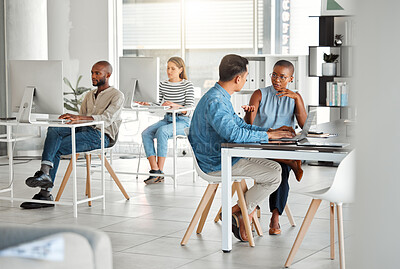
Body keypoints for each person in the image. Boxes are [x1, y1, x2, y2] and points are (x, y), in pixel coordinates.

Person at [189, 54, 295, 242]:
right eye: (246, 77)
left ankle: (237, 212)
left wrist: (269, 131)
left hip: (224, 155)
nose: (246, 80)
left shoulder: (219, 96)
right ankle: (239, 212)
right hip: (216, 163)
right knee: (273, 176)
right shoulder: (216, 102)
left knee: (277, 169)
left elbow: (240, 126)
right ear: (238, 79)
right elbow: (235, 135)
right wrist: (269, 136)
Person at [20, 61, 124, 209]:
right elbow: (82, 116)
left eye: (97, 73)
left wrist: (80, 119)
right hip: (84, 129)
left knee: (56, 148)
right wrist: (73, 117)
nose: (93, 76)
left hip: (101, 135)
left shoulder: (117, 95)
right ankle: (44, 174)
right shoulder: (89, 95)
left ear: (108, 75)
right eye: (92, 73)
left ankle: (45, 194)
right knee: (54, 130)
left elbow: (107, 119)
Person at [242, 60, 307, 235]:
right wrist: (249, 113)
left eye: (282, 77)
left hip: (283, 147)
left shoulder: (294, 98)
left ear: (291, 79)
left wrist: (298, 98)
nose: (277, 79)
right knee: (282, 168)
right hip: (262, 145)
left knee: (282, 169)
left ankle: (275, 216)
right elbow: (249, 124)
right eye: (274, 75)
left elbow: (304, 125)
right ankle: (292, 164)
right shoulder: (259, 94)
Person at [138, 57, 194, 184]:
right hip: (167, 119)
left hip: (183, 121)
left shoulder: (187, 85)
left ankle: (159, 173)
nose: (169, 71)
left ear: (181, 70)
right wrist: (147, 103)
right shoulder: (163, 85)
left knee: (162, 132)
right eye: (168, 68)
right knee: (145, 133)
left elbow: (189, 109)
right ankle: (155, 170)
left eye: (172, 68)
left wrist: (176, 106)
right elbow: (157, 104)